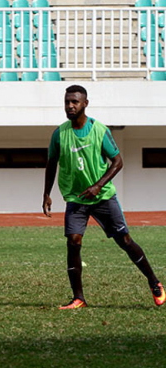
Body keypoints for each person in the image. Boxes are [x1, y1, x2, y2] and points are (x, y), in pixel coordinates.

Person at [42, 85, 165, 309]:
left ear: (85, 104)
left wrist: (98, 186)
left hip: (103, 197)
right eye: (67, 101)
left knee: (125, 241)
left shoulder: (99, 130)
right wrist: (46, 193)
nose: (70, 106)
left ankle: (154, 282)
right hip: (76, 199)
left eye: (75, 102)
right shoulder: (59, 133)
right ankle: (78, 298)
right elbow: (51, 164)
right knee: (73, 241)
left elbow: (118, 162)